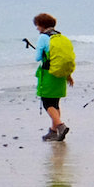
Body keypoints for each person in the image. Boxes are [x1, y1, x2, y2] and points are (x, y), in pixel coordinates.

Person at [32, 13, 73, 141]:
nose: (37, 28)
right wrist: (68, 75)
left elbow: (38, 57)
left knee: (47, 102)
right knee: (55, 103)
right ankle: (54, 131)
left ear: (41, 25)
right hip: (61, 73)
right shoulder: (60, 36)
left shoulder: (43, 38)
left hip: (48, 73)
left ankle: (60, 126)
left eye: (37, 25)